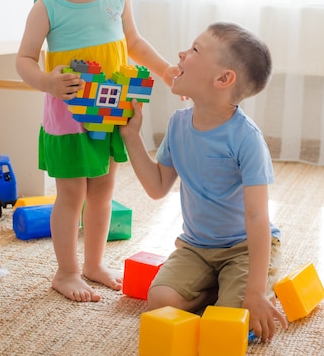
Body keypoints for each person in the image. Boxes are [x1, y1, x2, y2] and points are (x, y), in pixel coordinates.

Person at [15, 0, 178, 303]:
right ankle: (66, 271)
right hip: (70, 117)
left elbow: (134, 43)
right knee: (71, 193)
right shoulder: (47, 5)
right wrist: (47, 82)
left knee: (104, 189)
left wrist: (166, 70)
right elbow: (23, 60)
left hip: (111, 111)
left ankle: (93, 263)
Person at [119, 22, 288, 342]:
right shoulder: (178, 124)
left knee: (233, 322)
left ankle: (246, 286)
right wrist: (132, 137)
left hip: (244, 249)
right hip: (196, 247)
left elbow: (257, 218)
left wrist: (254, 293)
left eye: (195, 50)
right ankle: (213, 285)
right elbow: (157, 187)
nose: (182, 53)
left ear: (224, 79)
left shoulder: (247, 139)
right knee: (159, 304)